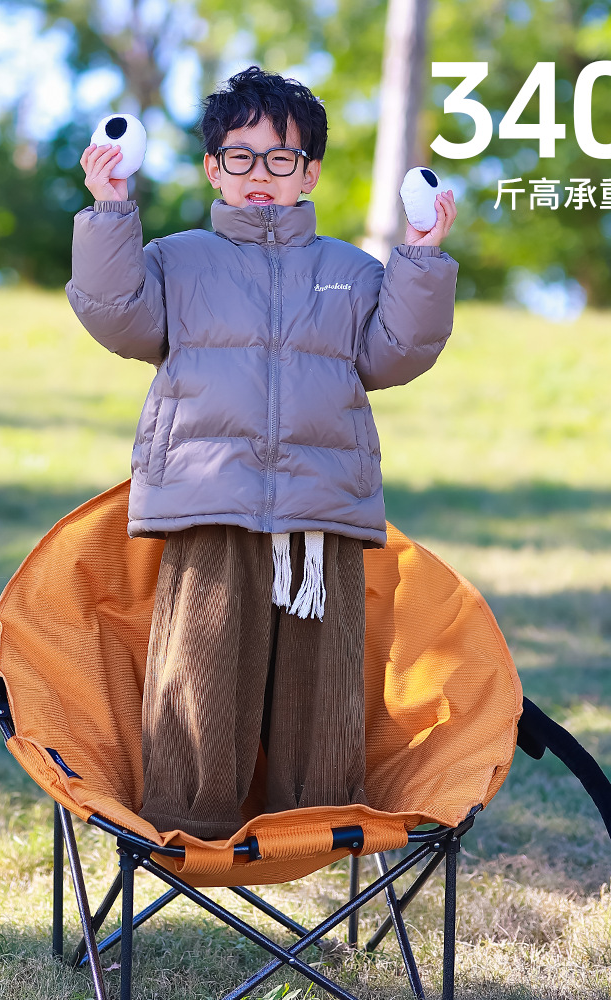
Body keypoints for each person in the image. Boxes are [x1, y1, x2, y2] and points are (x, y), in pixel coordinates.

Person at [66, 65, 458, 840]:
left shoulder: (353, 274)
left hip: (322, 516)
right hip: (209, 504)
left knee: (323, 689)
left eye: (281, 159)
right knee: (200, 673)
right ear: (213, 167)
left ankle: (317, 828)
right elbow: (117, 316)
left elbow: (399, 354)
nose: (259, 175)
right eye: (239, 157)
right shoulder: (178, 261)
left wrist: (421, 257)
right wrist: (111, 210)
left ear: (309, 171)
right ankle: (182, 829)